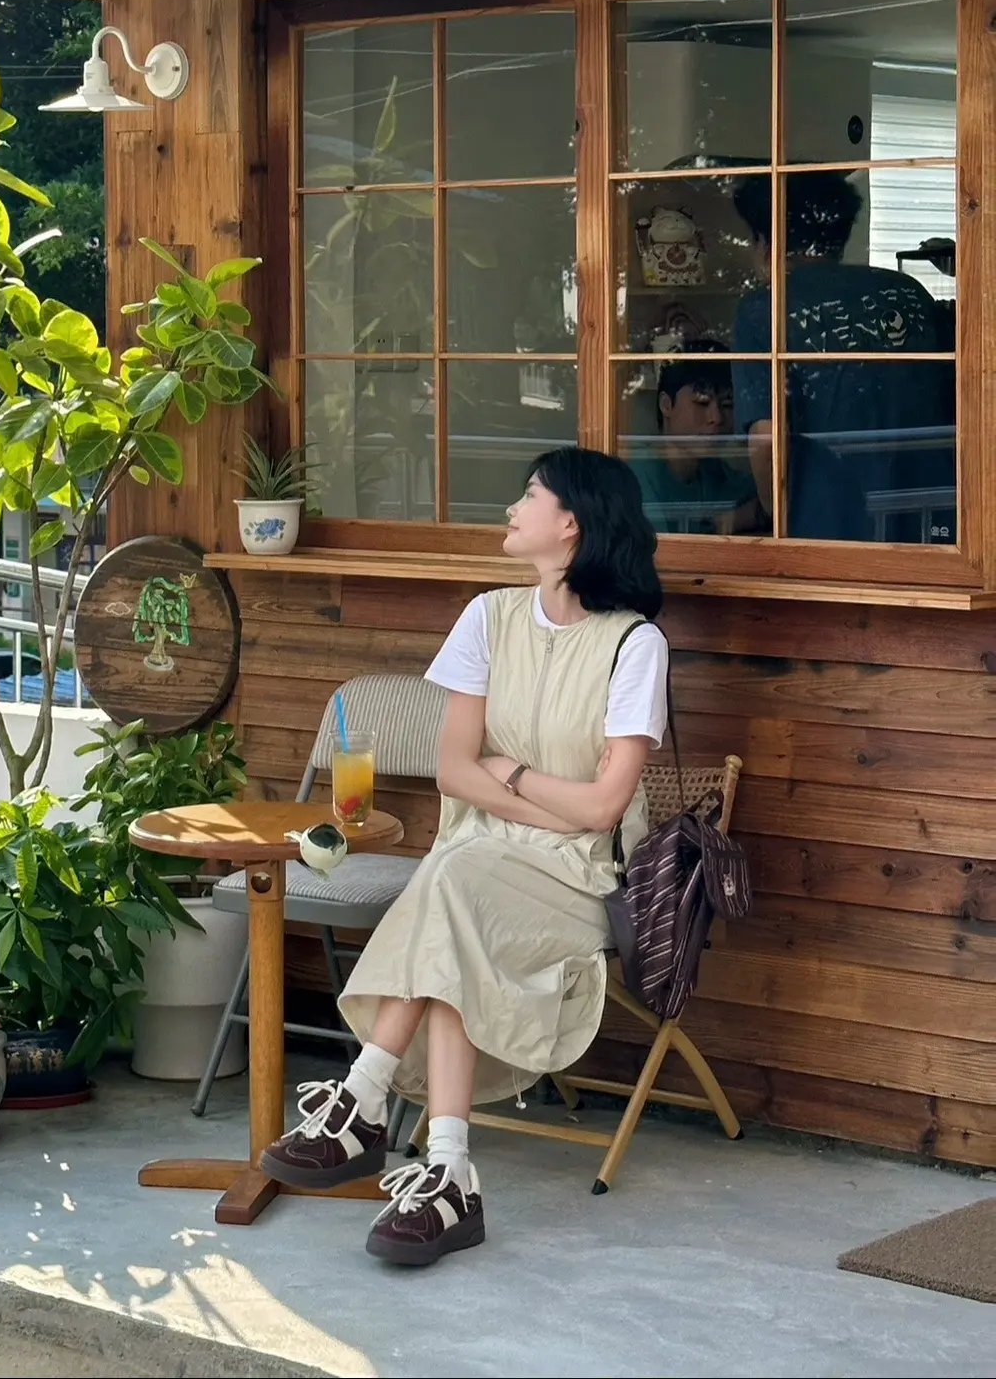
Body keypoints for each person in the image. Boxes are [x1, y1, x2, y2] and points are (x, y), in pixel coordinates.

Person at [259, 446, 668, 1266]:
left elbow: (604, 810)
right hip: (477, 859)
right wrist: (546, 798)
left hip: (578, 877)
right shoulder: (486, 617)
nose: (512, 508)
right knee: (460, 895)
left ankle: (363, 1101)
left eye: (529, 494)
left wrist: (507, 772)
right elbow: (453, 769)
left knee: (453, 889)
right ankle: (446, 1171)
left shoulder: (635, 645)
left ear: (571, 523)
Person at [729, 172, 955, 542]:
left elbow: (767, 440)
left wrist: (774, 516)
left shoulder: (764, 309)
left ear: (766, 241)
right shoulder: (909, 292)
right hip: (937, 521)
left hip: (833, 532)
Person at [633, 347, 764, 535]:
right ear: (666, 405)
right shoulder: (638, 474)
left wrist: (741, 517)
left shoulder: (711, 470)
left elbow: (774, 496)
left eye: (727, 405)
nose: (717, 417)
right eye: (702, 402)